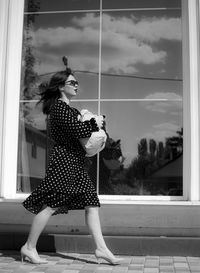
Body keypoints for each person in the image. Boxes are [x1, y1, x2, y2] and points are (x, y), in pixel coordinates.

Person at [20, 67, 122, 265]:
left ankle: (101, 249)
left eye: (77, 83)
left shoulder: (71, 110)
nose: (76, 86)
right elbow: (78, 130)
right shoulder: (58, 108)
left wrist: (97, 125)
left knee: (92, 202)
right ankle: (29, 247)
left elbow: (84, 132)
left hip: (75, 161)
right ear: (60, 87)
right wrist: (95, 122)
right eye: (72, 83)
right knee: (51, 205)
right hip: (64, 161)